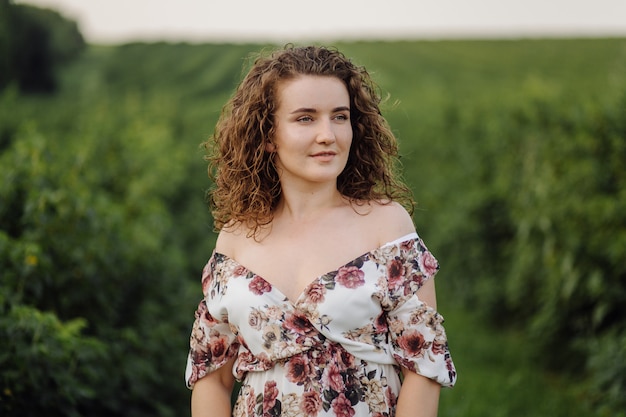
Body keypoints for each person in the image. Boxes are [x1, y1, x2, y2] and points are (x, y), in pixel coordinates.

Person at [185, 44, 457, 417]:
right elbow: (211, 378)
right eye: (305, 118)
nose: (328, 134)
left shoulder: (387, 225)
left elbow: (424, 366)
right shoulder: (235, 238)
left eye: (340, 116)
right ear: (267, 135)